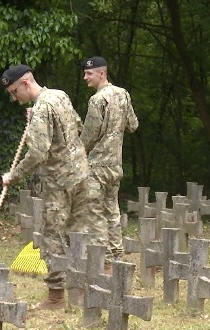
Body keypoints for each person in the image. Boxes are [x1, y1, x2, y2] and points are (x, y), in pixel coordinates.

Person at [0, 64, 90, 310]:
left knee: (52, 237)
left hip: (59, 182)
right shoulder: (59, 96)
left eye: (14, 92)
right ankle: (81, 293)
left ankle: (56, 297)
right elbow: (78, 127)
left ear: (26, 83)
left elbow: (38, 153)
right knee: (78, 233)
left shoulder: (41, 109)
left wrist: (13, 176)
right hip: (81, 175)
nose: (14, 97)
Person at [80, 56, 138, 271]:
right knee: (112, 211)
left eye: (89, 74)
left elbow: (88, 136)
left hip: (97, 166)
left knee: (94, 213)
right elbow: (133, 124)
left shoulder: (97, 100)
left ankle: (100, 259)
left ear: (102, 73)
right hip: (115, 165)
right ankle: (117, 255)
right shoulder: (123, 94)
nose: (85, 77)